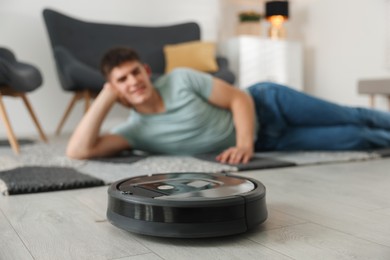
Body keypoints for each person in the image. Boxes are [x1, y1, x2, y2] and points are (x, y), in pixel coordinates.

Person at [66, 47, 390, 164]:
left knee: (353, 113)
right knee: (357, 137)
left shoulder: (179, 79)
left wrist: (243, 143)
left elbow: (239, 97)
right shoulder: (133, 131)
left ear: (146, 71)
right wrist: (106, 96)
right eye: (121, 80)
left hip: (267, 104)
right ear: (114, 87)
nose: (132, 82)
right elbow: (78, 151)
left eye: (135, 72)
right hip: (269, 141)